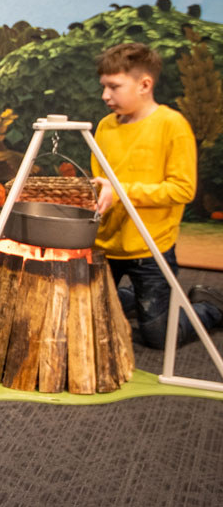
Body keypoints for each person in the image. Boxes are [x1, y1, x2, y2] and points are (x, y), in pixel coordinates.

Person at [91, 43, 223, 348]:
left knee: (159, 337)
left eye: (114, 86)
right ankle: (137, 299)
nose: (105, 96)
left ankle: (209, 306)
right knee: (88, 317)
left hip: (150, 248)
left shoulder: (172, 125)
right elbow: (101, 184)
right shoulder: (104, 127)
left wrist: (123, 193)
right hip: (105, 244)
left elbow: (182, 189)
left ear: (144, 85)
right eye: (104, 86)